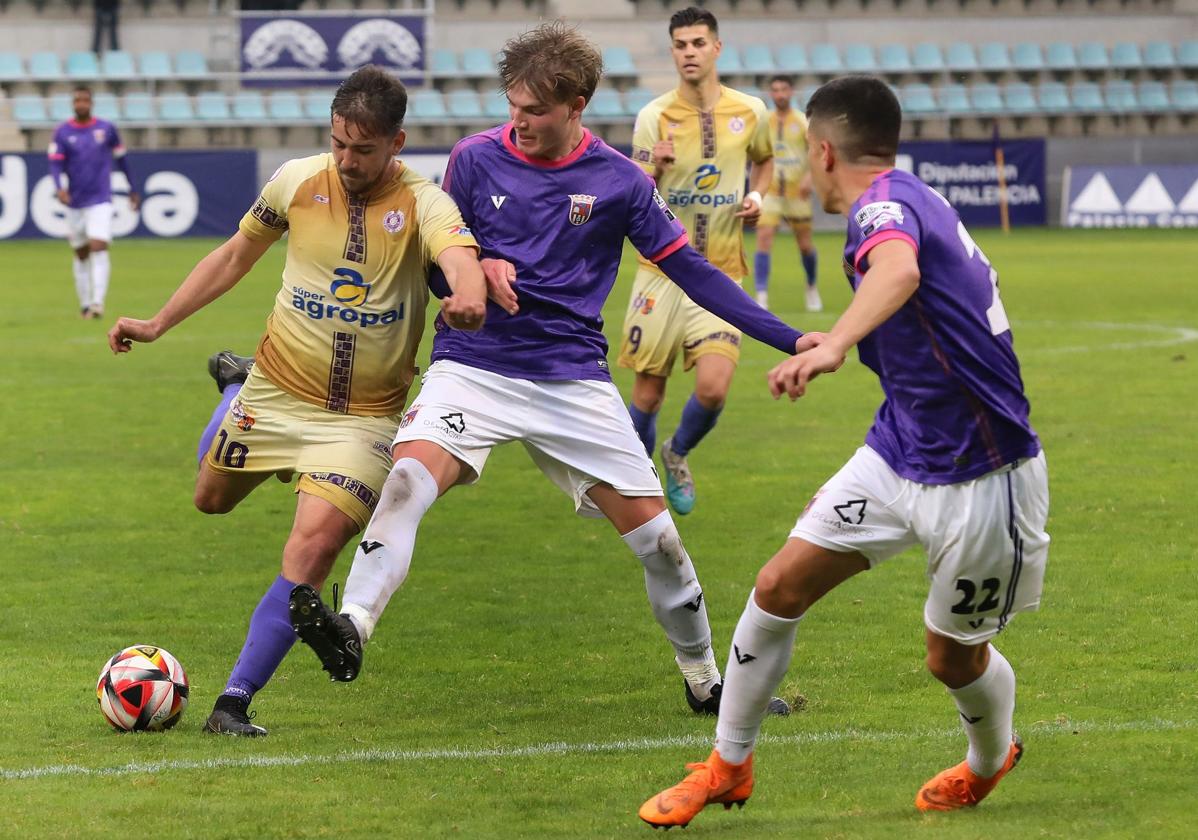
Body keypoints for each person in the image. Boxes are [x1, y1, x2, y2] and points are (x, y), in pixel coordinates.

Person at [287, 21, 821, 719]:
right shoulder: (474, 160)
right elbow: (437, 268)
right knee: (409, 480)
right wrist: (476, 270)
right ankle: (352, 626)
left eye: (535, 110)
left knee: (659, 541)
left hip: (572, 379)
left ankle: (705, 683)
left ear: (577, 106)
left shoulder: (621, 183)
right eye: (513, 106)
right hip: (475, 367)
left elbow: (691, 269)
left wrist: (790, 339)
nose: (520, 121)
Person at [639, 75, 1049, 828]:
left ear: (823, 151)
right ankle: (729, 765)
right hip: (900, 449)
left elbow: (899, 268)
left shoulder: (882, 207)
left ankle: (990, 759)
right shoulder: (904, 195)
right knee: (778, 586)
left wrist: (833, 347)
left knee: (950, 658)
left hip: (985, 474)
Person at [106, 66, 487, 737]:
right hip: (276, 390)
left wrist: (468, 295)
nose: (346, 159)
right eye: (338, 142)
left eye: (362, 149)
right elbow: (232, 256)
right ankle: (234, 386)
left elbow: (458, 258)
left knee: (312, 549)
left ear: (395, 142)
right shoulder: (296, 180)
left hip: (363, 419)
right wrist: (158, 323)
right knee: (210, 499)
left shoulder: (425, 202)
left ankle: (233, 703)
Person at [616, 7, 774, 517]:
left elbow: (765, 161)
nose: (690, 52)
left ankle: (677, 453)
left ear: (716, 48)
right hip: (660, 272)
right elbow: (633, 198)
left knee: (713, 386)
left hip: (722, 270)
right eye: (681, 44)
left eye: (698, 43)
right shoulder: (652, 116)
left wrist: (760, 198)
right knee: (648, 391)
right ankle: (638, 478)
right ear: (672, 51)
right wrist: (654, 168)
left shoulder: (751, 110)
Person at [49, 85, 140, 319]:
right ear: (73, 104)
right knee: (81, 253)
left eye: (85, 100)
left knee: (98, 247)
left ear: (91, 103)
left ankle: (98, 303)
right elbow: (56, 164)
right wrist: (59, 187)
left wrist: (132, 189)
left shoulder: (107, 129)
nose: (81, 104)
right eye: (77, 100)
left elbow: (122, 160)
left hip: (100, 198)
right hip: (75, 201)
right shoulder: (62, 132)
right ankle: (85, 303)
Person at [752, 75, 821, 313]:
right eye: (775, 90)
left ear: (791, 92)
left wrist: (809, 178)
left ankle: (811, 286)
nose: (779, 94)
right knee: (764, 238)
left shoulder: (802, 122)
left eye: (783, 89)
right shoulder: (764, 122)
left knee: (805, 245)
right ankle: (761, 295)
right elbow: (757, 154)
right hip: (770, 192)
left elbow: (817, 152)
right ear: (771, 94)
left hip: (796, 194)